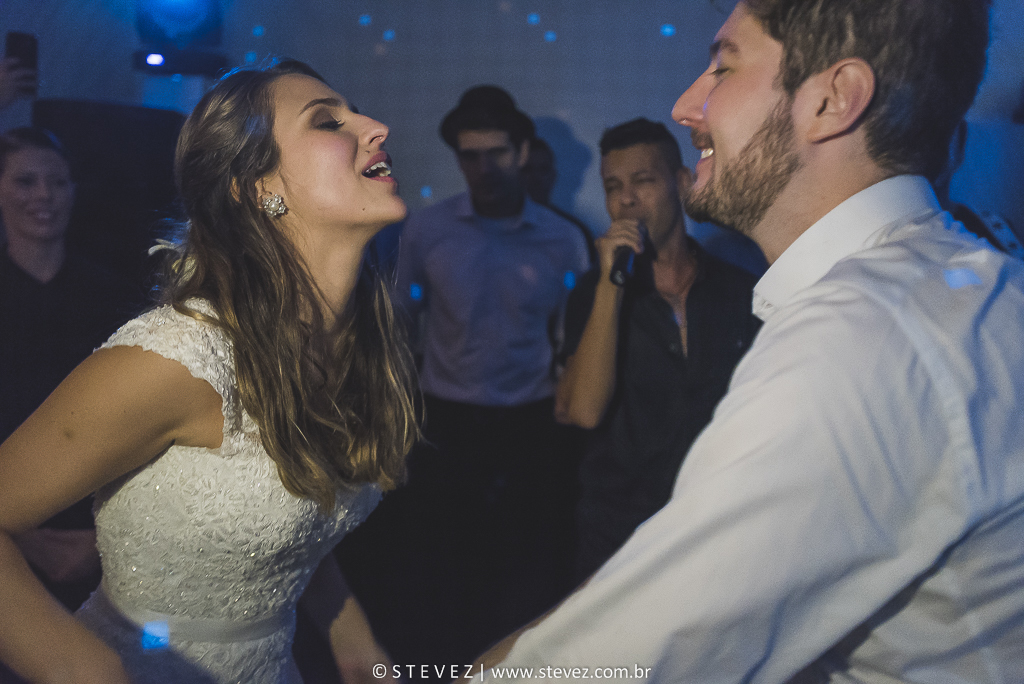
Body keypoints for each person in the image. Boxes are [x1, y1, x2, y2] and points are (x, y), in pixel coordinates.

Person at [468, 0, 1024, 681]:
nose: (686, 104)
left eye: (722, 67)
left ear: (833, 100)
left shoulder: (853, 345)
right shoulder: (973, 280)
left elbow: (607, 664)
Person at [0, 58, 417, 684]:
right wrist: (82, 669)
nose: (377, 127)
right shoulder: (178, 362)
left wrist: (359, 649)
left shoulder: (362, 346)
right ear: (257, 188)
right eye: (329, 121)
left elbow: (287, 519)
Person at [345, 85, 588, 672]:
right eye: (470, 155)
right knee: (439, 574)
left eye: (496, 153)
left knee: (524, 576)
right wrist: (393, 422)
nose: (484, 168)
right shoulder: (429, 230)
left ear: (522, 151)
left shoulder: (564, 240)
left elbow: (579, 340)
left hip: (530, 424)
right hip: (444, 421)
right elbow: (399, 327)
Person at [555, 119, 760, 581]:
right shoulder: (595, 291)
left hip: (719, 527)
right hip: (620, 534)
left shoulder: (740, 291)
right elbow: (583, 411)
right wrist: (612, 283)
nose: (627, 199)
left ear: (682, 183)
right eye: (613, 186)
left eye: (643, 181)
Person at [0, 127, 137, 616]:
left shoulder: (114, 296)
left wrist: (102, 536)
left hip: (102, 533)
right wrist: (17, 534)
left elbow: (136, 421)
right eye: (26, 182)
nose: (44, 196)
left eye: (57, 183)